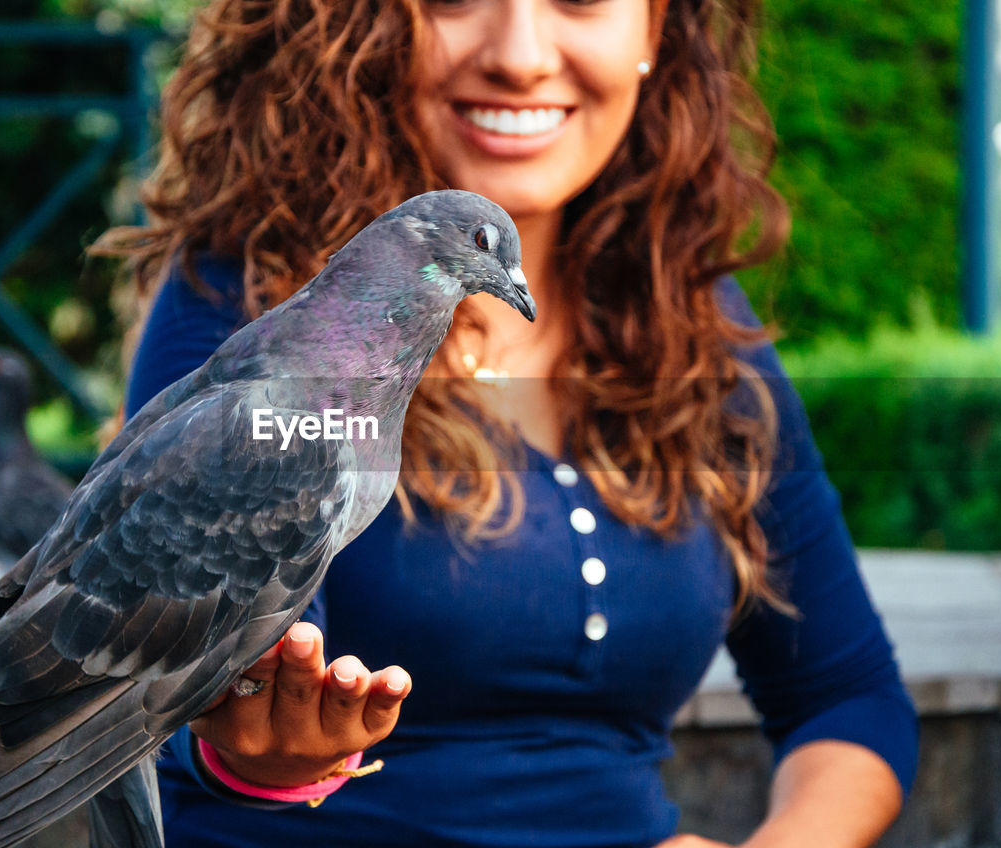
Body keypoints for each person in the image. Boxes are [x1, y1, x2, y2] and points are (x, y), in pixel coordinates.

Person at [100, 0, 918, 845]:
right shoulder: (253, 319)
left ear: (657, 29)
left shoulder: (691, 318)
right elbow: (179, 716)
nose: (520, 55)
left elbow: (847, 696)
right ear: (356, 28)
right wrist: (259, 754)